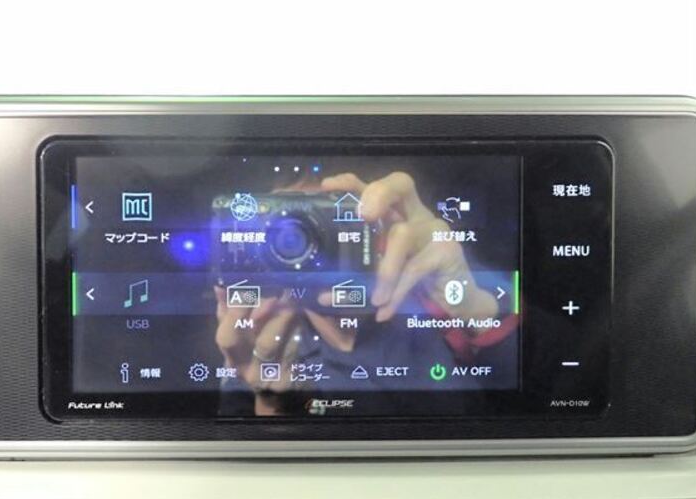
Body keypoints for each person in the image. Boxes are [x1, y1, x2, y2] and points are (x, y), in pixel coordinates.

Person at [214, 171, 516, 415]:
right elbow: (242, 466)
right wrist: (272, 402)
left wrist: (473, 309)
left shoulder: (426, 289)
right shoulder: (258, 341)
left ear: (372, 227)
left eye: (331, 219)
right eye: (281, 232)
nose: (297, 245)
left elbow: (527, 396)